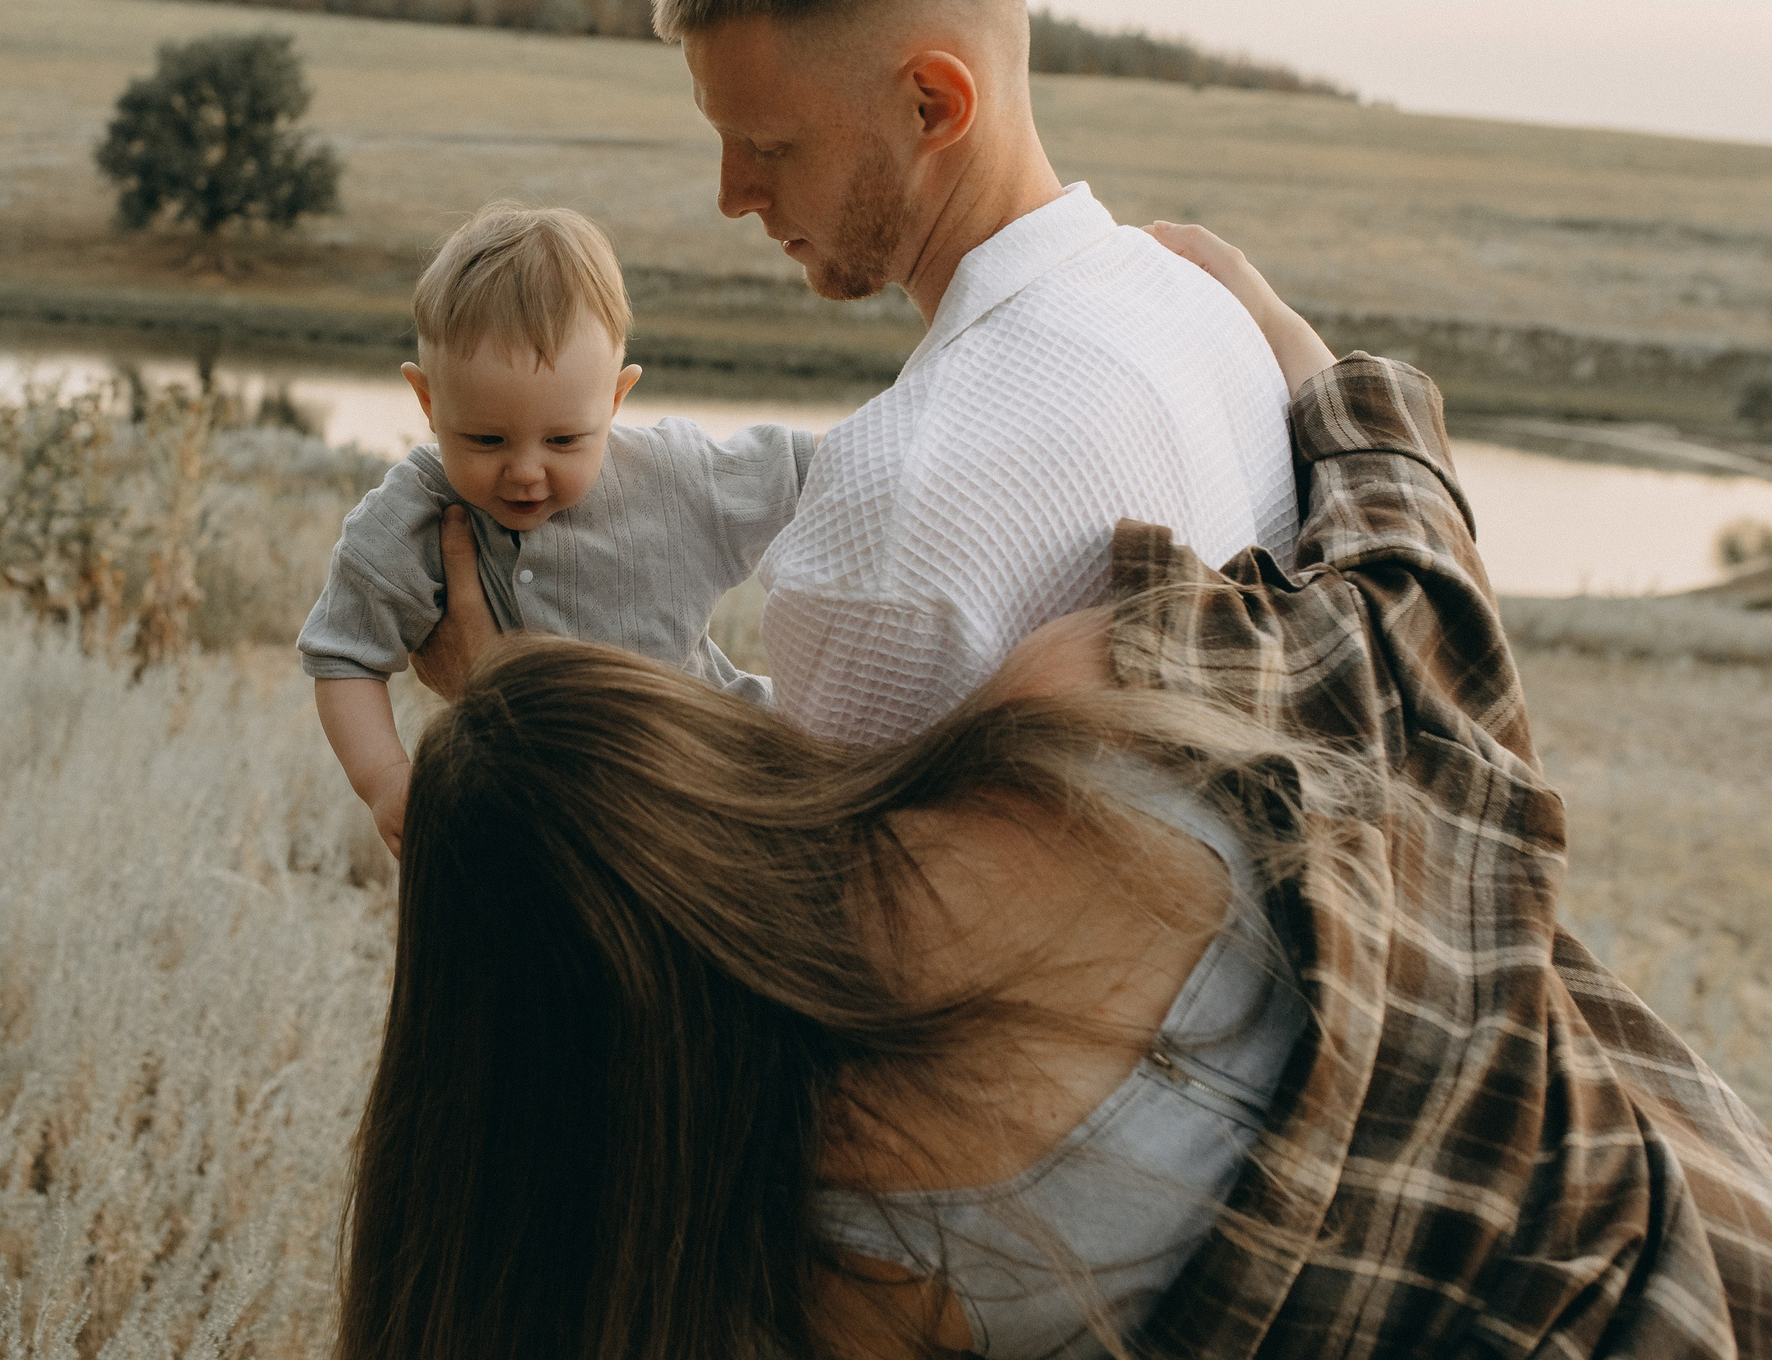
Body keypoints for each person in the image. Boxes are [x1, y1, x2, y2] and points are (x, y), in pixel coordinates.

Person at [339, 227, 1772, 1360]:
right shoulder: (1053, 730)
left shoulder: (809, 1255)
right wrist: (1311, 361)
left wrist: (510, 720)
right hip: (1693, 1243)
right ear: (681, 746)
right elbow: (1414, 648)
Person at [658, 0, 1301, 747]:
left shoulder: (899, 504)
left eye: (768, 145)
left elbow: (802, 885)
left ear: (934, 104)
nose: (733, 195)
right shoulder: (1214, 313)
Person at [298, 200, 816, 854]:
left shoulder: (675, 474)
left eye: (565, 439)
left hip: (728, 777)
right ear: (429, 401)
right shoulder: (413, 513)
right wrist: (386, 779)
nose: (525, 472)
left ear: (616, 399)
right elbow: (341, 652)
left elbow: (822, 471)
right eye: (486, 439)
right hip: (558, 825)